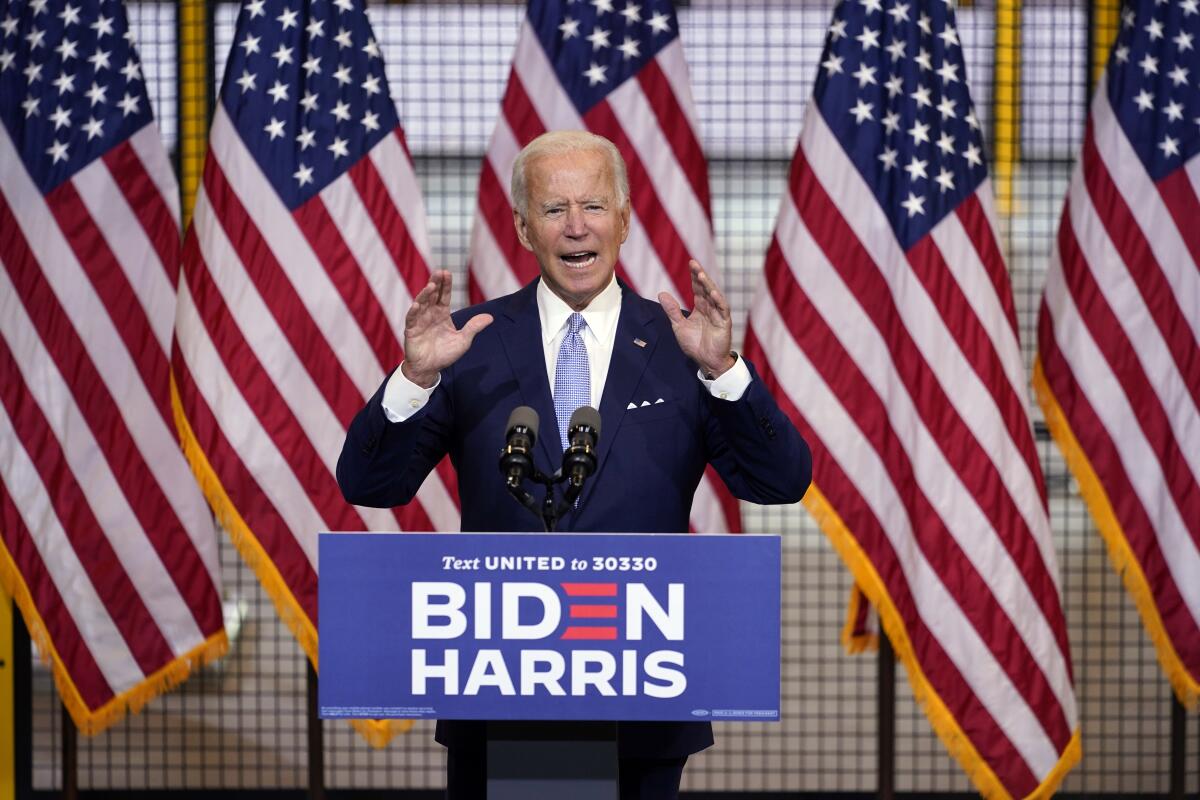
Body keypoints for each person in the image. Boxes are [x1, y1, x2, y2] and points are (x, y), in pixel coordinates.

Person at [337, 130, 811, 799]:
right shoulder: (468, 344)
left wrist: (724, 373)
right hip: (499, 696)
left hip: (642, 697)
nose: (576, 227)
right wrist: (413, 378)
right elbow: (369, 484)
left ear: (623, 219)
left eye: (592, 206)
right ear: (524, 229)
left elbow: (781, 481)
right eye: (554, 210)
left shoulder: (684, 345)